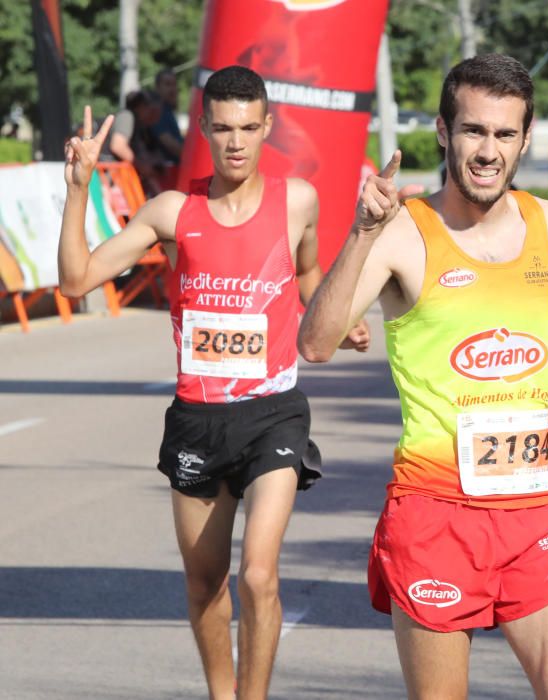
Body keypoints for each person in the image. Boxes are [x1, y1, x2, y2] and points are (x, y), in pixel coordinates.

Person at [298, 54, 548, 699]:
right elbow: (317, 343)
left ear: (524, 139)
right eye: (473, 131)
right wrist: (360, 236)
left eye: (503, 135)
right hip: (437, 518)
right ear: (442, 131)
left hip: (538, 513)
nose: (488, 151)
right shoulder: (402, 234)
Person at [58, 65, 369, 700]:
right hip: (198, 417)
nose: (236, 142)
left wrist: (340, 318)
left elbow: (308, 274)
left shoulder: (298, 201)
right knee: (206, 583)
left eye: (249, 128)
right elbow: (76, 280)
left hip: (272, 412)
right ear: (203, 127)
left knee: (258, 573)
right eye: (223, 128)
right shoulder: (174, 211)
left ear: (267, 128)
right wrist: (77, 188)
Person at [151, 68, 184, 165]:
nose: (173, 89)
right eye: (167, 84)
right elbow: (170, 144)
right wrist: (194, 158)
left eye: (174, 84)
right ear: (157, 87)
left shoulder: (168, 110)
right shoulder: (157, 112)